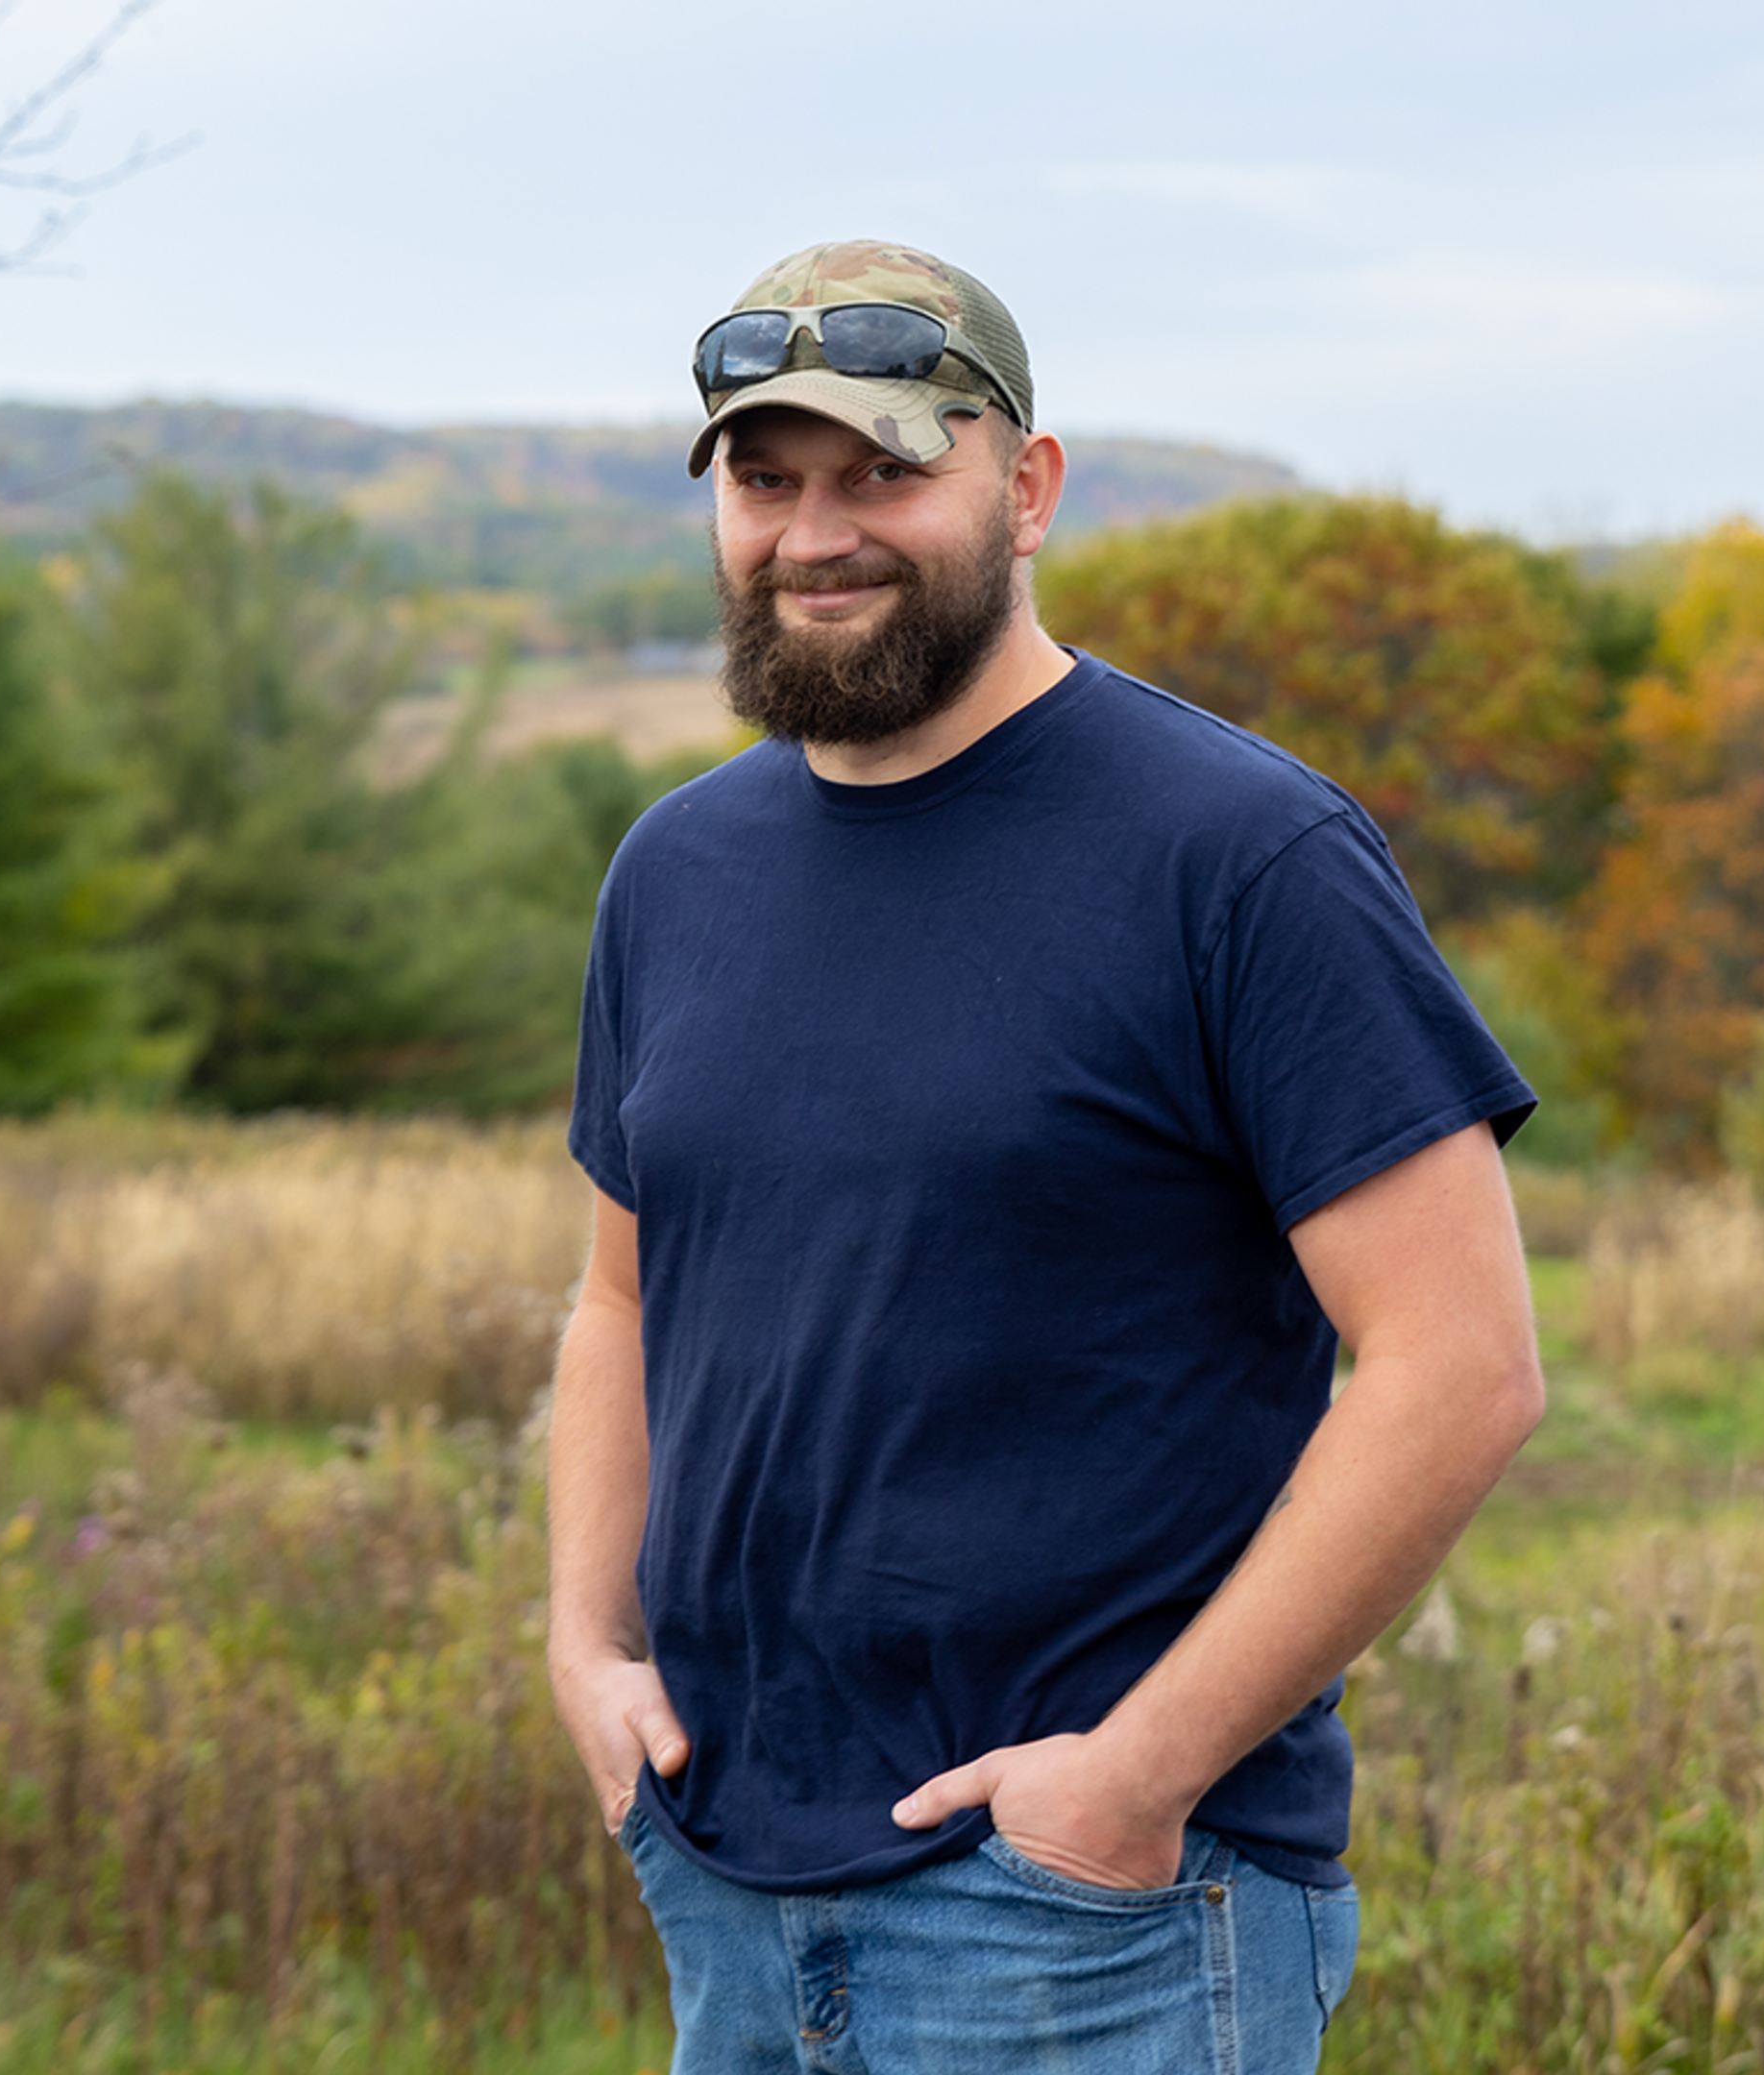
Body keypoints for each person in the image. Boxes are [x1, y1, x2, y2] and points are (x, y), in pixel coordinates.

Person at [546, 237, 1549, 2074]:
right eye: (767, 481)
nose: (816, 529)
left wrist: (1137, 1777)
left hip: (1087, 1922)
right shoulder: (674, 873)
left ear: (1026, 487)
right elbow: (624, 1291)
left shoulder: (1242, 856)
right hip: (728, 1885)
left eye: (884, 472)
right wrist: (586, 1651)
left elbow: (1462, 1368)